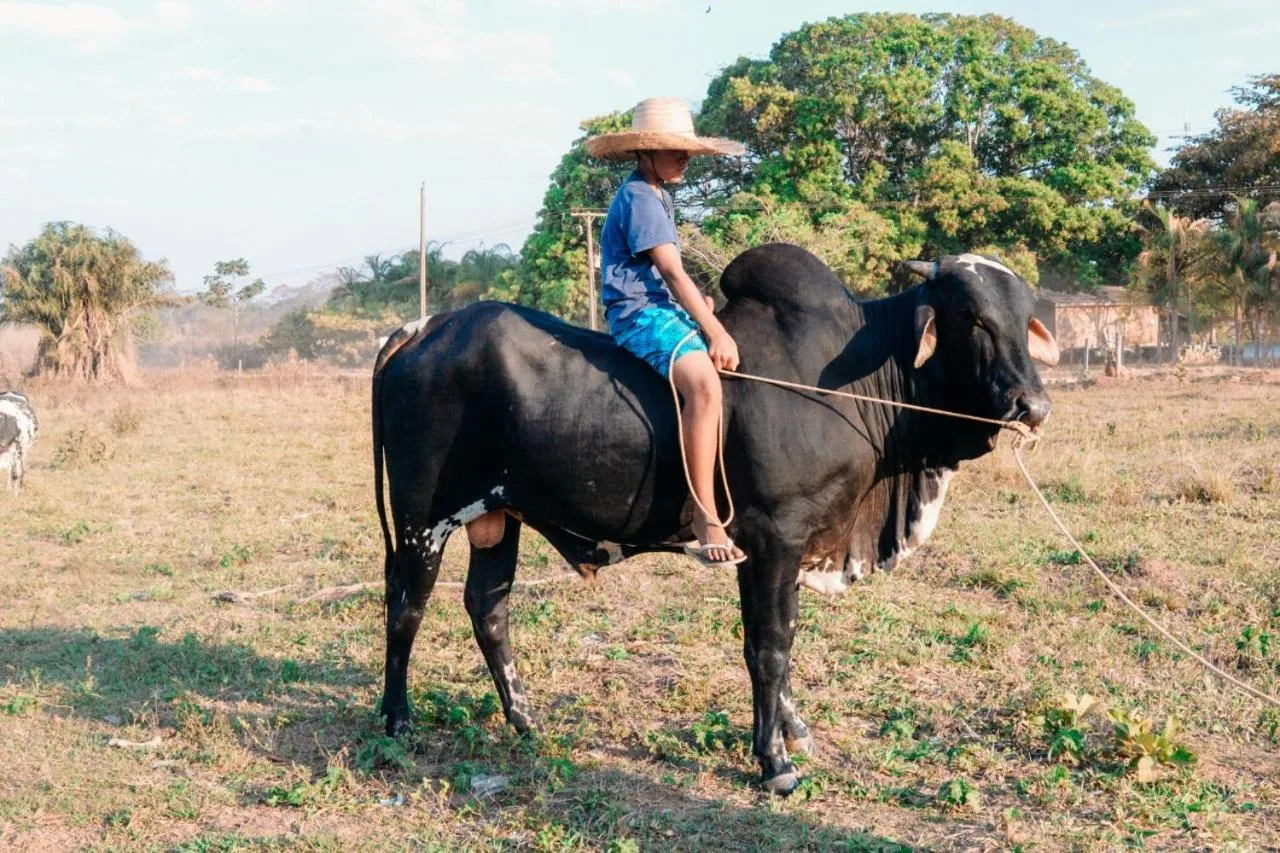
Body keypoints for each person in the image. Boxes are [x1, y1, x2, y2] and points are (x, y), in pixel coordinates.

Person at [585, 97, 747, 567]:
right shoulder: (639, 196)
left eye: (686, 150)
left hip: (657, 304)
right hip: (638, 313)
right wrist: (711, 328)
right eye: (673, 150)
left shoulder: (658, 194)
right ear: (644, 153)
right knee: (703, 384)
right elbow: (673, 274)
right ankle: (705, 516)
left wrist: (697, 309)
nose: (684, 158)